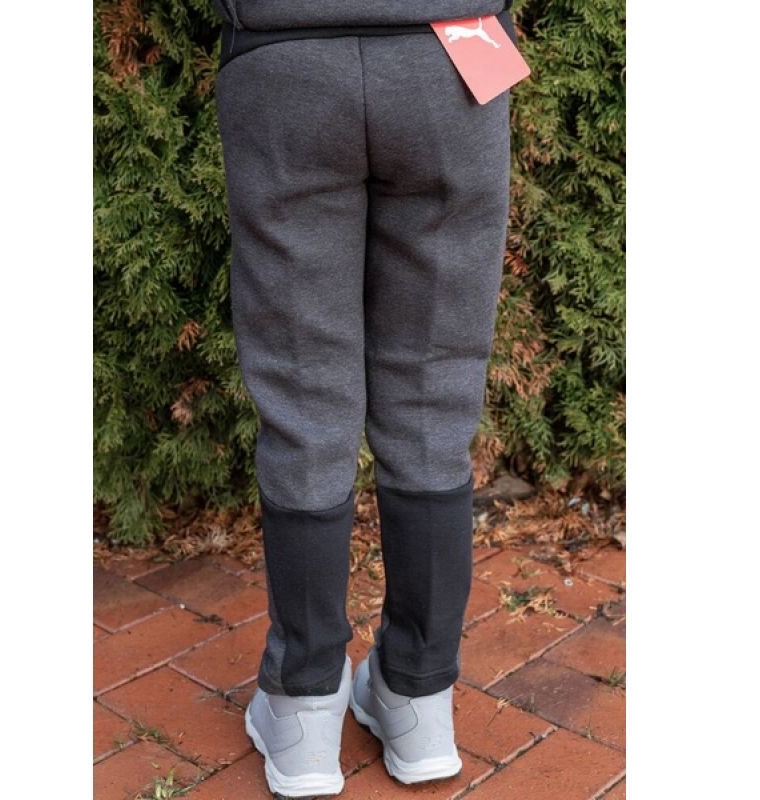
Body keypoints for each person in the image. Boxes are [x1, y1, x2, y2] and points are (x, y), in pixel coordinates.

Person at [211, 1, 516, 796]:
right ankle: (418, 698)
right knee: (434, 400)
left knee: (305, 400)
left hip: (284, 59)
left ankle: (305, 709)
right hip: (452, 56)